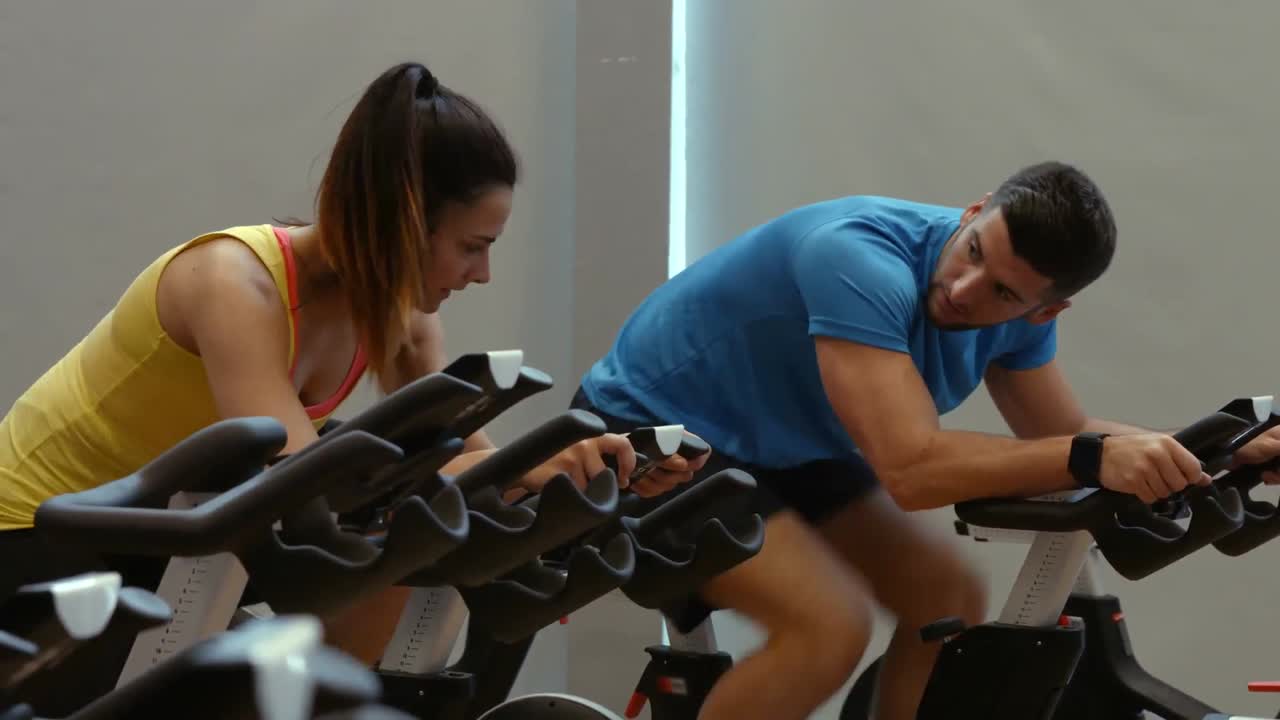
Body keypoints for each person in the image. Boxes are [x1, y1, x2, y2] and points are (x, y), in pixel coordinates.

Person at [0, 61, 704, 686]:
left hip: (165, 546)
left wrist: (586, 472)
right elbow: (299, 480)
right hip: (38, 544)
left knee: (405, 553)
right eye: (471, 247)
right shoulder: (231, 283)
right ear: (403, 221)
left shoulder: (402, 318)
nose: (483, 274)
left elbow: (475, 464)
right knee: (357, 537)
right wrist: (524, 470)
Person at [571, 161, 1280, 720]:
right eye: (973, 252)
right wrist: (1090, 456)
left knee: (946, 593)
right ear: (974, 211)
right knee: (827, 631)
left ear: (1047, 310)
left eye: (1004, 294)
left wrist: (1221, 449)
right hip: (650, 439)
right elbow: (912, 471)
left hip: (783, 447)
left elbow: (1060, 437)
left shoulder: (1021, 317)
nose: (967, 291)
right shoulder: (856, 259)